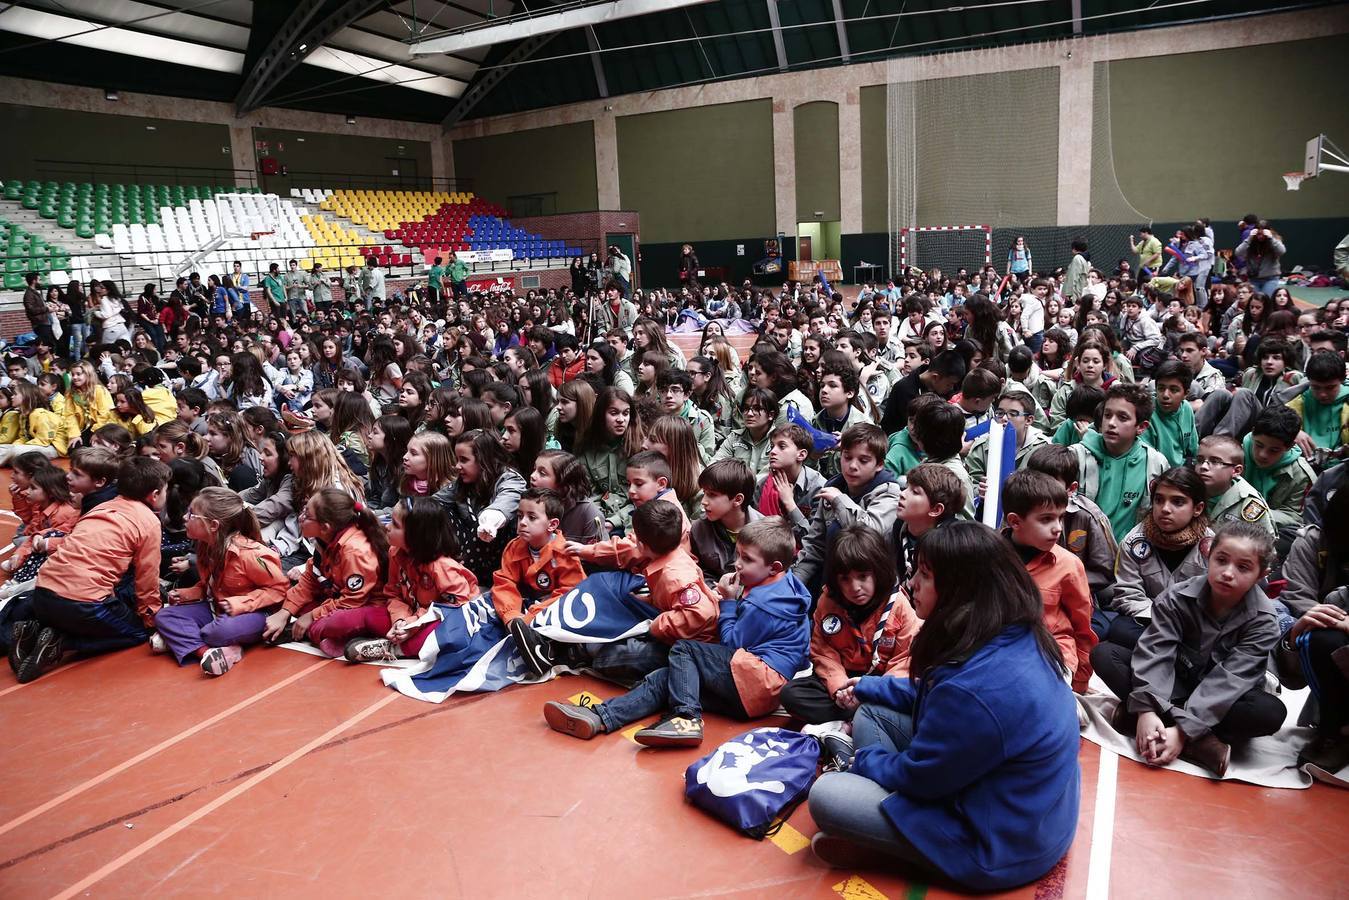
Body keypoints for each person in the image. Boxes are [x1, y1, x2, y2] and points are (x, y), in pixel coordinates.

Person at [807, 522, 1079, 891]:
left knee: (827, 795)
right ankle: (886, 816)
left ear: (959, 588)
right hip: (1033, 814)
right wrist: (872, 685)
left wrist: (866, 763)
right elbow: (935, 693)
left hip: (996, 848)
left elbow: (926, 777)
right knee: (871, 710)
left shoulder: (978, 689)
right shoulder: (1012, 630)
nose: (913, 582)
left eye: (924, 574)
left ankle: (894, 843)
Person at [544, 515, 810, 747]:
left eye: (747, 559)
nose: (737, 564)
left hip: (754, 679)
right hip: (758, 695)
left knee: (684, 650)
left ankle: (686, 717)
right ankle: (600, 717)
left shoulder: (763, 604)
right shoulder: (787, 587)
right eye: (738, 554)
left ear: (774, 567)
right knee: (669, 679)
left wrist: (728, 603)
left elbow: (730, 646)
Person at [1091, 522, 1284, 777]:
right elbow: (1157, 652)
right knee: (1105, 654)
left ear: (1262, 574)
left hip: (1222, 697)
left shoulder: (1263, 620)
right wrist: (1147, 709)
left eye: (1243, 567)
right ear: (1209, 555)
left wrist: (1182, 732)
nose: (1228, 572)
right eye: (1221, 560)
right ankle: (1200, 743)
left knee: (1269, 712)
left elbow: (1229, 681)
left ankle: (1143, 723)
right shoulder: (1177, 597)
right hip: (1174, 681)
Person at [9, 458, 170, 683]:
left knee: (100, 606)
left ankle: (34, 629)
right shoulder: (148, 522)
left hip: (43, 593)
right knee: (136, 633)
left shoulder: (100, 508)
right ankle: (62, 643)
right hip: (82, 603)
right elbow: (147, 577)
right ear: (154, 494)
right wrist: (151, 618)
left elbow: (72, 545)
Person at [780, 525, 920, 724]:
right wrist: (840, 689)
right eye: (845, 579)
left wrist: (870, 690)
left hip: (880, 679)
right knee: (791, 695)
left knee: (914, 699)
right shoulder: (829, 601)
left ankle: (859, 715)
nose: (855, 588)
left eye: (863, 576)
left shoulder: (898, 605)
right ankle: (858, 716)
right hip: (843, 677)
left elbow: (904, 660)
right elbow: (823, 651)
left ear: (878, 572)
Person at [151, 488, 290, 676]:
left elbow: (279, 589)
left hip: (257, 612)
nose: (185, 517)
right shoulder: (206, 547)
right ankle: (208, 652)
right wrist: (187, 594)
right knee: (164, 616)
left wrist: (241, 603)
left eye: (192, 514)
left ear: (214, 525)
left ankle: (185, 639)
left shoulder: (251, 554)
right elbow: (210, 585)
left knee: (215, 632)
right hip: (217, 608)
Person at [341, 497, 480, 663]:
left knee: (443, 635)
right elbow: (393, 594)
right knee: (368, 616)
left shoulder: (442, 567)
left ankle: (393, 648)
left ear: (416, 536)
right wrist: (400, 621)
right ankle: (390, 638)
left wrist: (414, 624)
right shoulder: (395, 553)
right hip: (412, 615)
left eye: (395, 525)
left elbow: (457, 609)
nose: (387, 527)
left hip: (440, 620)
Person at [1001, 471, 1095, 692]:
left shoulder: (1069, 565)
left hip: (1051, 652)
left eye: (1060, 517)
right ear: (1015, 521)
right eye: (1046, 519)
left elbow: (1083, 627)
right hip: (1000, 650)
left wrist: (1080, 683)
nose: (1058, 528)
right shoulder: (987, 556)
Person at [1276, 487, 1349, 771]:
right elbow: (1295, 595)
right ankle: (1334, 732)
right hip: (1329, 632)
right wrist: (1336, 618)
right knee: (1317, 638)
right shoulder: (1313, 541)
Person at [263, 488, 387, 655]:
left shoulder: (355, 552)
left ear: (325, 527)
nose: (300, 518)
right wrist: (285, 612)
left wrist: (311, 616)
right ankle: (321, 634)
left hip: (366, 606)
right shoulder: (323, 541)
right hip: (336, 598)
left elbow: (353, 601)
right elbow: (310, 579)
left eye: (307, 515)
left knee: (327, 625)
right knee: (283, 600)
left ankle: (347, 638)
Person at [1106, 467, 1213, 649]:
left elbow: (1213, 599)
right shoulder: (1134, 542)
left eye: (1178, 502)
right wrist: (1161, 619)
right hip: (1149, 620)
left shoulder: (1212, 548)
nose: (1165, 509)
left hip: (1191, 624)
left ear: (1197, 508)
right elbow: (1128, 593)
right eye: (1159, 500)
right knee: (1119, 630)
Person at [490, 488, 587, 676]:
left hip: (552, 609)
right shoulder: (514, 547)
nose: (522, 523)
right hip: (524, 606)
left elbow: (570, 592)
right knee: (488, 606)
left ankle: (547, 653)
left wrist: (530, 617)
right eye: (520, 516)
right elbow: (504, 582)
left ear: (552, 525)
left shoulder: (565, 553)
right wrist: (511, 616)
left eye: (531, 517)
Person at [793, 424, 901, 589]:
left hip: (872, 588)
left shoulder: (888, 492)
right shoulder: (833, 487)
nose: (852, 466)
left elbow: (870, 531)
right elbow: (815, 545)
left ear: (879, 464)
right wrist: (794, 584)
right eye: (847, 457)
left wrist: (839, 500)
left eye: (863, 460)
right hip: (833, 584)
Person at [1069, 383, 1169, 541]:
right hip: (1082, 553)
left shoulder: (1156, 464)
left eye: (1122, 417)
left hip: (1130, 556)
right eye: (1107, 415)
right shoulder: (1076, 456)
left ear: (1141, 427)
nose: (1111, 423)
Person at [1244, 405, 1316, 533]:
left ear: (1290, 446)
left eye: (1274, 450)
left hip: (1269, 528)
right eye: (1259, 445)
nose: (1263, 455)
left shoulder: (1301, 475)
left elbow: (1293, 515)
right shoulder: (1237, 452)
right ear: (1253, 432)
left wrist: (1253, 514)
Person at [689, 459, 761, 585]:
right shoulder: (698, 528)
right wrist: (714, 589)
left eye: (712, 494)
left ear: (737, 499)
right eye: (704, 493)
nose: (704, 501)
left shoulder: (764, 532)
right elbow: (702, 570)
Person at [754, 423, 825, 543]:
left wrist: (789, 503)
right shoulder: (763, 485)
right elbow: (755, 529)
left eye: (781, 446)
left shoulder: (819, 489)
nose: (772, 452)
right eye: (772, 446)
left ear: (801, 455)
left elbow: (813, 541)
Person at [1194, 434, 1275, 534]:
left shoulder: (1249, 505)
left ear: (1236, 471)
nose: (1203, 466)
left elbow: (1265, 545)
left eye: (1215, 461)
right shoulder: (1187, 492)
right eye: (1200, 460)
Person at [1144, 360, 1198, 467]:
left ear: (1185, 394)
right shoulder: (1147, 412)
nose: (1165, 395)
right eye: (1161, 388)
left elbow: (1193, 448)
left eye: (1173, 390)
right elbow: (1148, 460)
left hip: (1184, 469)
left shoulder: (1186, 408)